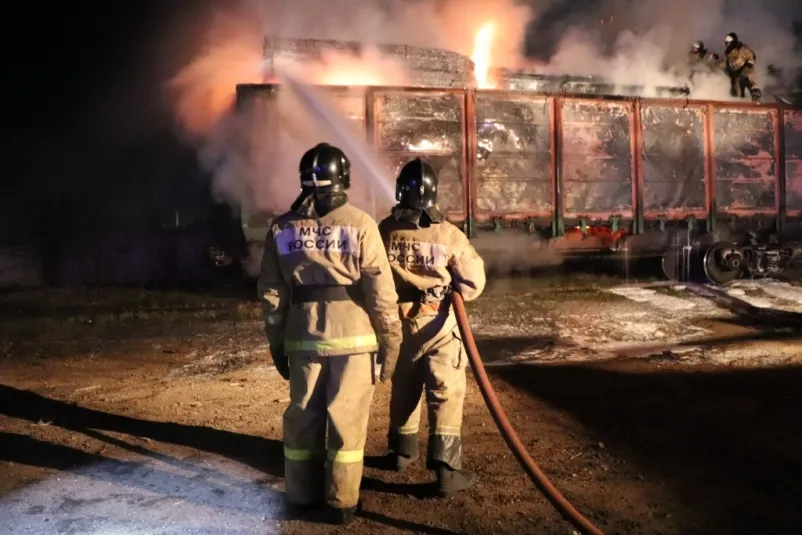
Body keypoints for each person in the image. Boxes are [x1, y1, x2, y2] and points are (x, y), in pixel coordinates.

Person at [257, 142, 402, 525]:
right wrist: (392, 343)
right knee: (346, 420)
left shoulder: (282, 227)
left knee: (303, 418)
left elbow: (272, 294)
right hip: (354, 341)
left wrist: (277, 343)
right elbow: (382, 295)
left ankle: (301, 496)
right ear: (344, 179)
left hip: (303, 339)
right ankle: (341, 503)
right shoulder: (361, 224)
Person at [376, 157, 486, 498]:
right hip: (439, 323)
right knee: (445, 392)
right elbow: (474, 282)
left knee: (404, 386)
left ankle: (401, 452)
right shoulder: (449, 234)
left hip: (398, 322)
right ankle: (446, 471)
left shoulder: (384, 230)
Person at [722, 32, 762, 101]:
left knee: (745, 76)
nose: (728, 45)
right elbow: (725, 62)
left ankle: (755, 92)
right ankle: (739, 100)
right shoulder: (728, 52)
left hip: (745, 67)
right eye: (726, 43)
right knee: (736, 86)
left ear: (733, 42)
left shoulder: (742, 48)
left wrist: (749, 63)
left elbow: (751, 55)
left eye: (729, 43)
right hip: (735, 71)